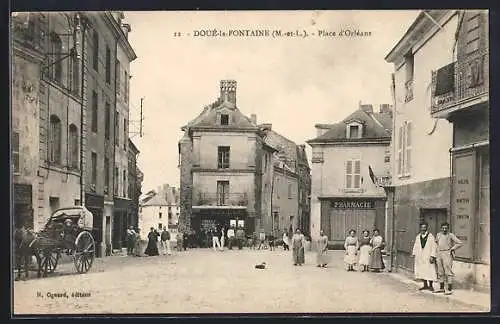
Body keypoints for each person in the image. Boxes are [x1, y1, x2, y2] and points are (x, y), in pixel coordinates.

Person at [433, 222, 463, 295]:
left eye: (446, 228)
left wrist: (452, 249)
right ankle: (442, 288)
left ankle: (449, 289)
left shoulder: (450, 235)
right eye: (443, 228)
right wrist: (435, 254)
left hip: (447, 254)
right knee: (440, 271)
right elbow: (436, 243)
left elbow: (460, 243)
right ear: (441, 228)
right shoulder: (438, 235)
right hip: (439, 253)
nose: (444, 229)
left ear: (448, 228)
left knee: (448, 271)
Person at [412, 222, 437, 291]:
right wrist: (414, 253)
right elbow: (416, 245)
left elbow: (433, 247)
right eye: (422, 227)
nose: (423, 229)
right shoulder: (418, 236)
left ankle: (431, 285)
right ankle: (425, 285)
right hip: (420, 256)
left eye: (424, 227)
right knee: (422, 270)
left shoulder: (430, 236)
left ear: (426, 228)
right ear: (420, 228)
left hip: (428, 256)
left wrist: (432, 256)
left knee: (430, 270)